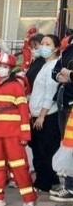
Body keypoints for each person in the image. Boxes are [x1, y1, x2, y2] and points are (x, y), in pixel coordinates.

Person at [0, 53, 37, 206]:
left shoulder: (16, 86)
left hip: (13, 134)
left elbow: (24, 111)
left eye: (5, 67)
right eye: (0, 66)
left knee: (18, 166)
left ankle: (29, 199)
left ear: (10, 70)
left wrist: (25, 135)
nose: (1, 69)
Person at [29, 35, 61, 192]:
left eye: (47, 44)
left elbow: (50, 94)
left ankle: (43, 183)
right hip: (37, 114)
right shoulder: (45, 64)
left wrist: (41, 115)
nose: (43, 46)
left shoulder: (54, 66)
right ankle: (50, 178)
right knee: (38, 149)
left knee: (44, 152)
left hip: (47, 116)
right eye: (42, 44)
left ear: (56, 48)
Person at [50, 36, 73, 201]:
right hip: (64, 101)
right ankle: (68, 185)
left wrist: (70, 75)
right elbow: (56, 70)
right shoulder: (69, 47)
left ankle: (71, 188)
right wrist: (60, 76)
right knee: (66, 145)